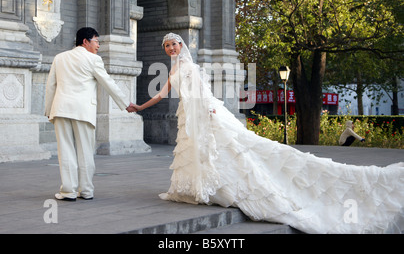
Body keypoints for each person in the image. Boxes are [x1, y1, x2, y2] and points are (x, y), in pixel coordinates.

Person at [133, 32, 404, 234]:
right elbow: (162, 94)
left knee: (237, 150)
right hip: (188, 115)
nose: (170, 48)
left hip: (205, 113)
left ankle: (217, 186)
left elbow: (203, 94)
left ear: (182, 46)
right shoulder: (175, 69)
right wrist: (140, 106)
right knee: (213, 153)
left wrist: (208, 112)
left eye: (173, 44)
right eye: (167, 46)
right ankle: (203, 187)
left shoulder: (190, 67)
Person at [45, 27, 136, 201]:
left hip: (61, 109)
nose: (98, 46)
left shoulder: (59, 58)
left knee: (65, 151)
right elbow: (108, 83)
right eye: (96, 41)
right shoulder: (93, 59)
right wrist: (126, 104)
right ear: (85, 41)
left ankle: (68, 192)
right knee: (85, 152)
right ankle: (86, 191)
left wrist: (49, 110)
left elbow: (51, 86)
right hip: (83, 110)